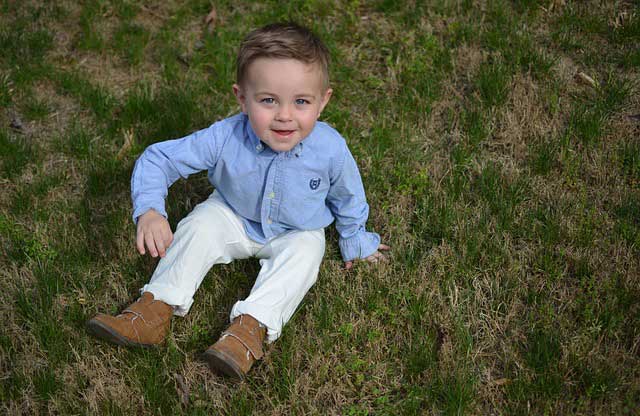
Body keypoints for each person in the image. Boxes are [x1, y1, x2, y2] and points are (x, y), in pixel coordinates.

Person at [87, 22, 389, 380]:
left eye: (301, 101)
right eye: (268, 100)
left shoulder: (331, 149)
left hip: (296, 229)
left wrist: (356, 238)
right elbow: (159, 159)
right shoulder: (225, 136)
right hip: (232, 214)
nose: (285, 115)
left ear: (323, 101)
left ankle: (248, 329)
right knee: (199, 225)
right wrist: (150, 209)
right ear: (242, 98)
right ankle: (154, 309)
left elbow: (348, 196)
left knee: (307, 253)